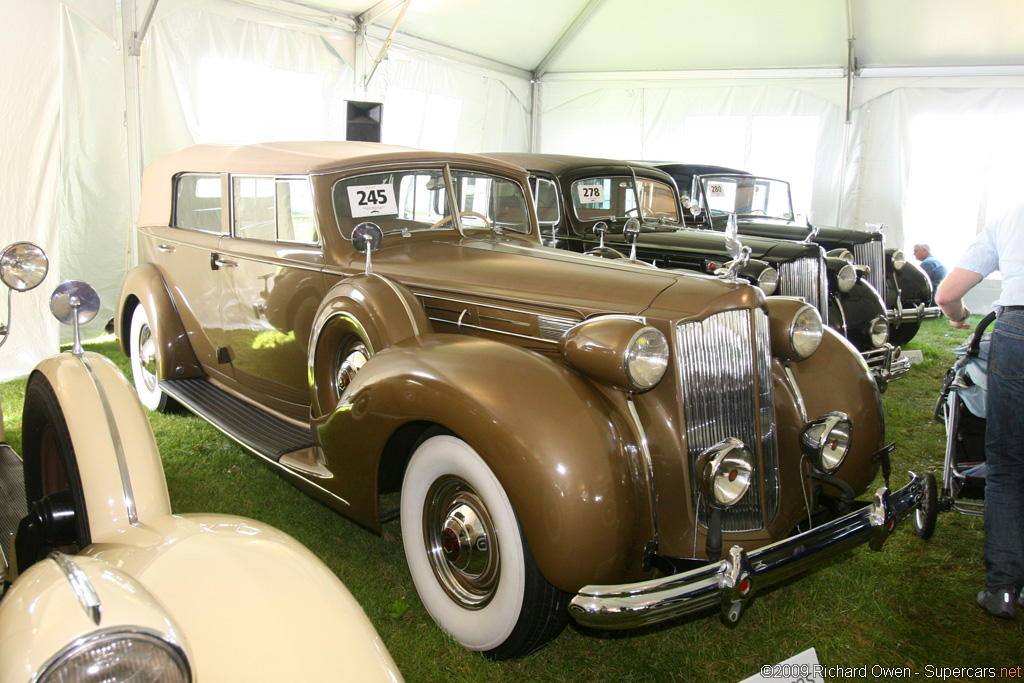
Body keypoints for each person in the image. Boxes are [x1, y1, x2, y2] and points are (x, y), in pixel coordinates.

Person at [935, 202, 1024, 620]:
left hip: (1018, 329)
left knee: (1007, 465)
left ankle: (1003, 589)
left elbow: (948, 294)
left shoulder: (1010, 217)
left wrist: (957, 318)